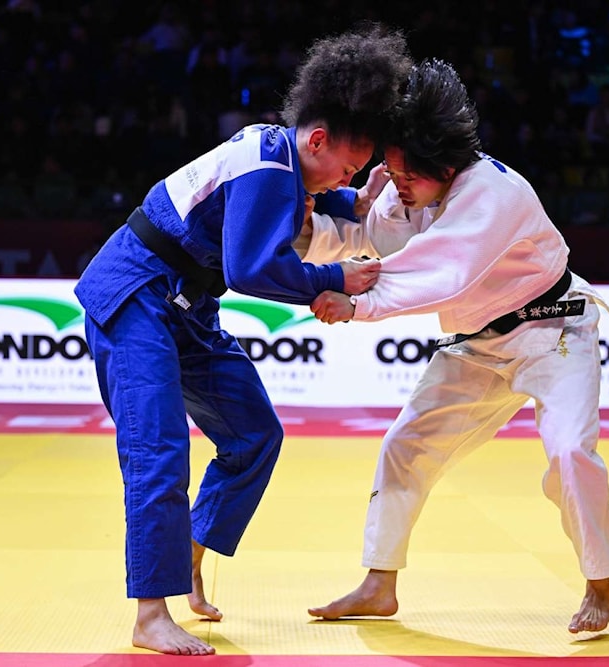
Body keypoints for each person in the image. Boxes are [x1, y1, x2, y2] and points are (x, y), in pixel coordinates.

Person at [73, 23, 412, 656]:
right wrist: (337, 276)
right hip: (136, 292)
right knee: (158, 445)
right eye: (349, 162)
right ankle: (151, 613)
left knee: (255, 432)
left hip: (188, 305)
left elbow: (319, 201)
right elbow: (250, 269)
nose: (348, 175)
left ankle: (192, 552)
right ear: (317, 138)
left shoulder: (288, 165)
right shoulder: (266, 164)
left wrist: (357, 199)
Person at [302, 59, 609, 634]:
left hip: (553, 335)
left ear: (444, 166)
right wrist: (305, 238)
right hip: (474, 348)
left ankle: (600, 581)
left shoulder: (494, 191)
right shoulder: (409, 192)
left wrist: (357, 304)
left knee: (570, 452)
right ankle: (379, 583)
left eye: (405, 176)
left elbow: (444, 269)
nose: (396, 186)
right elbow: (372, 241)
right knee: (406, 446)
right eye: (392, 173)